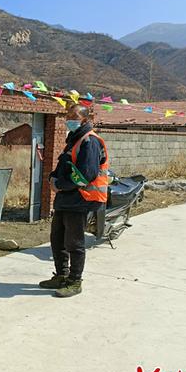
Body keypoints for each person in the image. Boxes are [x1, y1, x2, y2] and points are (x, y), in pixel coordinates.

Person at [39, 104, 109, 298]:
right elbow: (64, 165)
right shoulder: (74, 140)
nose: (69, 119)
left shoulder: (89, 141)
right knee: (57, 239)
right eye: (67, 115)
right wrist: (53, 178)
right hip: (66, 200)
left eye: (74, 116)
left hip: (81, 200)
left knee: (74, 242)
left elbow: (86, 175)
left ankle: (75, 281)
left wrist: (60, 185)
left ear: (85, 120)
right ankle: (62, 275)